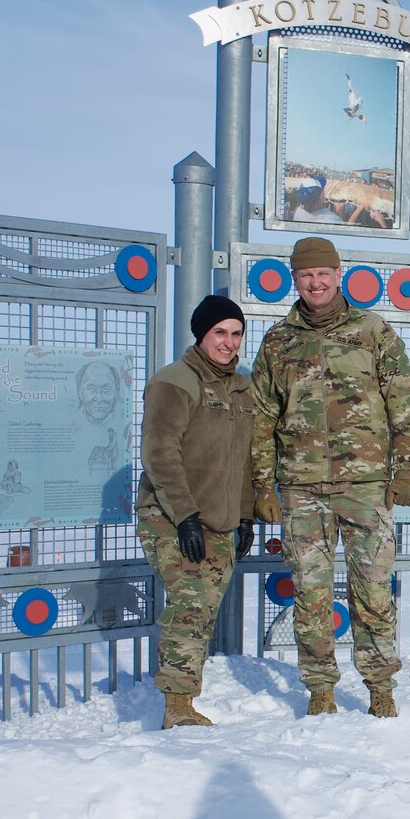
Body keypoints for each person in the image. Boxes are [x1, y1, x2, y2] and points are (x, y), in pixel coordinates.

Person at [250, 237, 410, 718]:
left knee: (372, 586)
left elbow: (404, 404)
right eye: (306, 275)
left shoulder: (372, 331)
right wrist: (263, 484)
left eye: (323, 273)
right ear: (294, 280)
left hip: (365, 486)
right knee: (311, 591)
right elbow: (262, 417)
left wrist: (403, 469)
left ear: (338, 274)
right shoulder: (278, 341)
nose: (316, 282)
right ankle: (321, 689)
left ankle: (380, 687)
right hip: (301, 487)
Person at [137, 295, 257, 729]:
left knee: (204, 608)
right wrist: (184, 514)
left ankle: (181, 691)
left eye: (236, 333)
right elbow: (159, 452)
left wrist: (245, 515)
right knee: (191, 601)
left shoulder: (242, 388)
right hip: (170, 516)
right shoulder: (175, 381)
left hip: (220, 519)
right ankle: (178, 706)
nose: (228, 342)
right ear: (201, 335)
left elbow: (244, 459)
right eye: (219, 333)